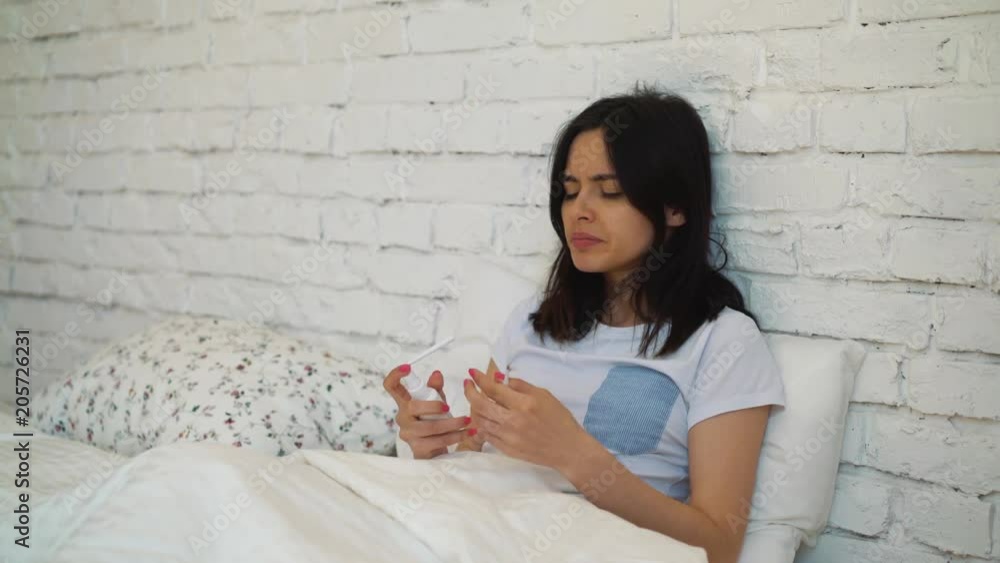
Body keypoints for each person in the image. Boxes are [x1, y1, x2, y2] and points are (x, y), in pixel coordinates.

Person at [383, 83, 786, 563]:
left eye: (610, 191)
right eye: (570, 192)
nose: (580, 211)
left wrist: (574, 455)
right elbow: (479, 458)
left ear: (676, 207)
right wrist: (433, 446)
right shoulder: (530, 323)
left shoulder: (723, 342)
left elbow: (718, 546)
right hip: (473, 532)